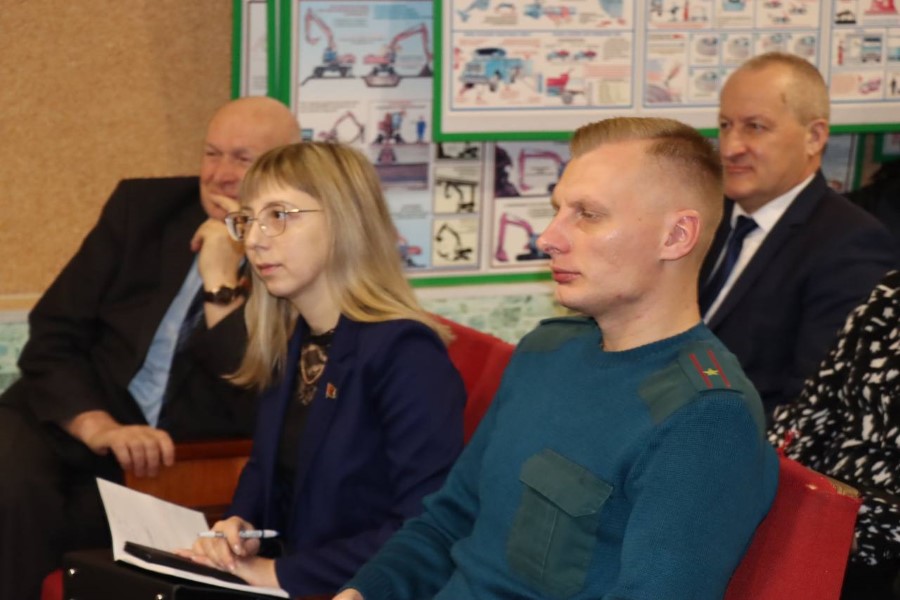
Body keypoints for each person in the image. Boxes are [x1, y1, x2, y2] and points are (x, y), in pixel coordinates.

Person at [333, 117, 779, 600]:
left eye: (588, 214)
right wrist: (361, 593)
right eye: (557, 210)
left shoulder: (705, 416)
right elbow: (447, 523)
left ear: (675, 236)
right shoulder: (546, 349)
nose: (548, 237)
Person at [0, 96, 301, 600]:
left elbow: (257, 388)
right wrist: (97, 425)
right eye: (212, 154)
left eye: (242, 159)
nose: (220, 175)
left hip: (176, 459)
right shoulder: (143, 210)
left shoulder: (297, 254)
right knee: (9, 488)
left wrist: (223, 275)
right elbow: (53, 333)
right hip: (69, 416)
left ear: (285, 169)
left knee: (72, 529)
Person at [181, 142, 465, 597]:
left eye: (279, 215)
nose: (253, 240)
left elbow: (425, 525)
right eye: (248, 219)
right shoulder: (293, 339)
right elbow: (267, 470)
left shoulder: (406, 352)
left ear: (345, 221)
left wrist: (280, 574)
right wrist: (240, 527)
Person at [701, 52, 897, 419]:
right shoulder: (707, 215)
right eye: (725, 125)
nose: (729, 148)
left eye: (755, 127)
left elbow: (815, 406)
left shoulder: (852, 246)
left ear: (814, 137)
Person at [769, 270, 900, 600]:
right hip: (829, 500)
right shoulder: (891, 292)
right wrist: (767, 475)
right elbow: (816, 406)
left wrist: (847, 523)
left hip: (875, 538)